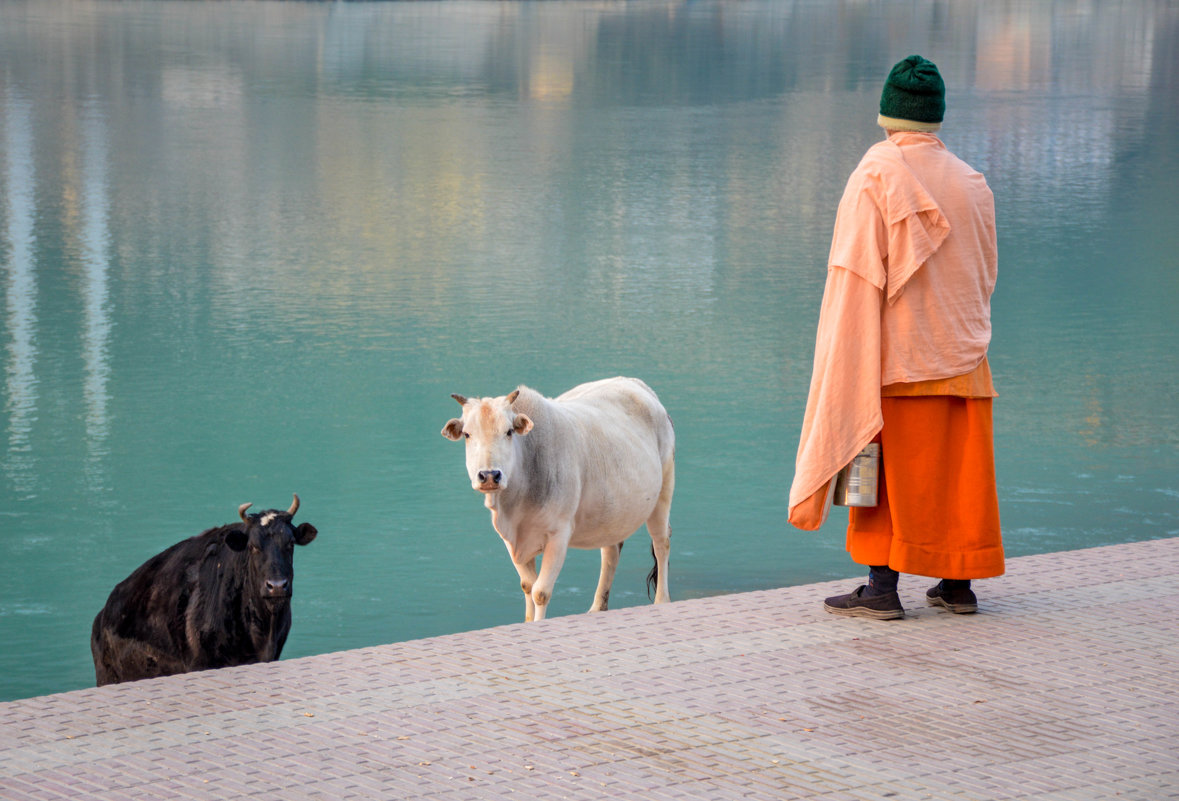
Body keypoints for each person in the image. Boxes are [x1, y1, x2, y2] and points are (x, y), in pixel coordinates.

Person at [787, 55, 1003, 619]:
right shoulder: (974, 183)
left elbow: (854, 277)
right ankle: (958, 585)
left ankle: (882, 588)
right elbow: (986, 274)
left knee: (879, 477)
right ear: (936, 119)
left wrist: (845, 361)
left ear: (888, 117)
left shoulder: (876, 175)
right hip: (964, 354)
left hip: (896, 359)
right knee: (958, 475)